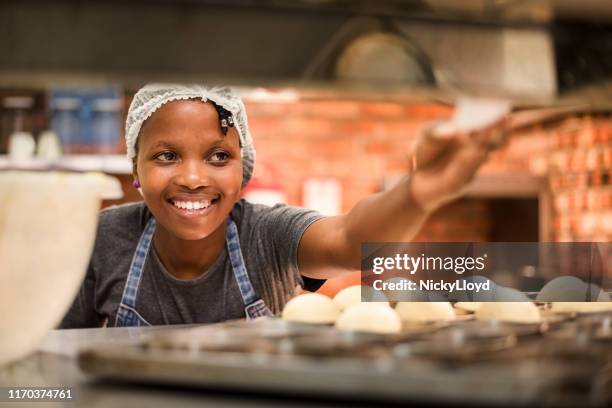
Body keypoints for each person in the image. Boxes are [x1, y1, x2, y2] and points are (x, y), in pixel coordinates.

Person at [60, 84, 507, 328]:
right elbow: (51, 366)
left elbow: (352, 241)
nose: (193, 178)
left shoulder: (267, 235)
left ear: (243, 175)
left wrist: (418, 192)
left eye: (218, 157)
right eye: (166, 156)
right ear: (135, 169)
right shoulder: (101, 239)